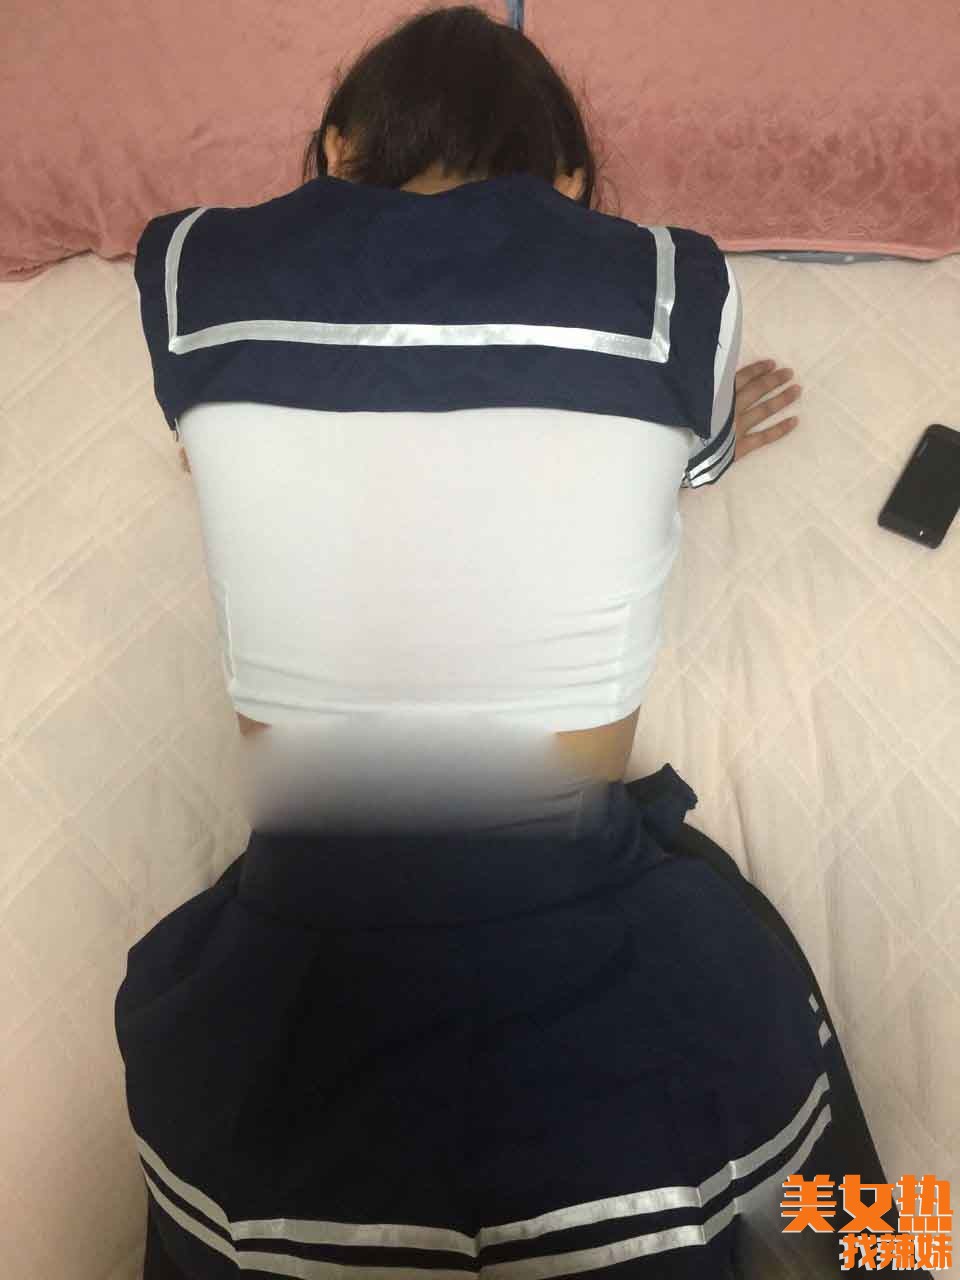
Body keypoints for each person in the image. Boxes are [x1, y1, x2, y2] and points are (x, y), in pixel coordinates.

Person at [117, 6, 928, 1278]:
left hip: (301, 929)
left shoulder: (189, 276)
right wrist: (705, 432)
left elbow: (215, 441)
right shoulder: (672, 287)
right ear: (573, 182)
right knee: (844, 1210)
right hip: (582, 913)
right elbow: (681, 461)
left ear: (334, 149)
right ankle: (907, 1255)